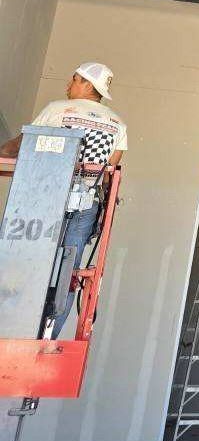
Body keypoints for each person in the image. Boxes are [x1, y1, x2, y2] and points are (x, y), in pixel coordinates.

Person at [0, 62, 126, 338]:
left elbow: (24, 144)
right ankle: (46, 337)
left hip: (46, 196)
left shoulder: (57, 109)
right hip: (86, 203)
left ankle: (10, 325)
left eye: (74, 80)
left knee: (22, 256)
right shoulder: (118, 124)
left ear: (87, 85)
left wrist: (3, 152)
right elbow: (109, 173)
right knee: (67, 272)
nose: (69, 85)